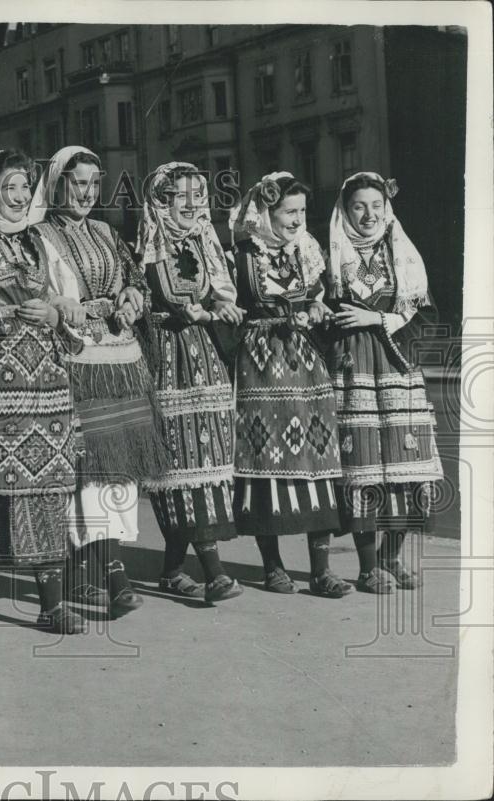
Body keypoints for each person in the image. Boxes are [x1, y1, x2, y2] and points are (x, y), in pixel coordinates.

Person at [0, 148, 86, 634]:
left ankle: (51, 602)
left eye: (23, 188)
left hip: (43, 377)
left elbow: (65, 291)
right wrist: (0, 309)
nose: (16, 196)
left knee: (44, 485)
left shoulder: (39, 240)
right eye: (7, 186)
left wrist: (57, 310)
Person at [28, 146, 155, 619]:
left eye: (93, 184)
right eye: (76, 183)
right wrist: (63, 304)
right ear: (57, 183)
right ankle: (107, 575)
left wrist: (129, 299)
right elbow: (35, 286)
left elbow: (135, 278)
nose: (85, 192)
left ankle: (97, 573)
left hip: (120, 355)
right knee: (88, 469)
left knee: (117, 468)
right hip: (75, 357)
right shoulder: (38, 235)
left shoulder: (105, 230)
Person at [228, 172, 352, 598]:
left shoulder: (307, 249)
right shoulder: (242, 254)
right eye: (288, 212)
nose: (297, 220)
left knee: (318, 454)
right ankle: (273, 566)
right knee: (265, 457)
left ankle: (321, 570)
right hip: (261, 363)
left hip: (306, 361)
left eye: (301, 211)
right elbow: (235, 303)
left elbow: (318, 295)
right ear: (266, 213)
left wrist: (316, 307)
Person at [325, 172, 444, 591]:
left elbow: (425, 314)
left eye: (376, 205)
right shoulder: (332, 254)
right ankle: (365, 565)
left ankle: (391, 556)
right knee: (362, 463)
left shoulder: (402, 253)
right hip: (353, 365)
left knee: (406, 460)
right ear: (346, 209)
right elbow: (321, 311)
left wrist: (377, 318)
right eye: (359, 206)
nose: (369, 214)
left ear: (386, 207)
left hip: (396, 365)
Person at [136, 162, 243, 603]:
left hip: (204, 354)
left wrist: (221, 310)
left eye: (197, 196)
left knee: (207, 455)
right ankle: (214, 569)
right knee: (179, 460)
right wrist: (190, 311)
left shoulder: (205, 240)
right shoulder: (147, 243)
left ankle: (172, 569)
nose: (191, 205)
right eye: (180, 196)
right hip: (166, 354)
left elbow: (220, 293)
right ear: (161, 200)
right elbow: (155, 296)